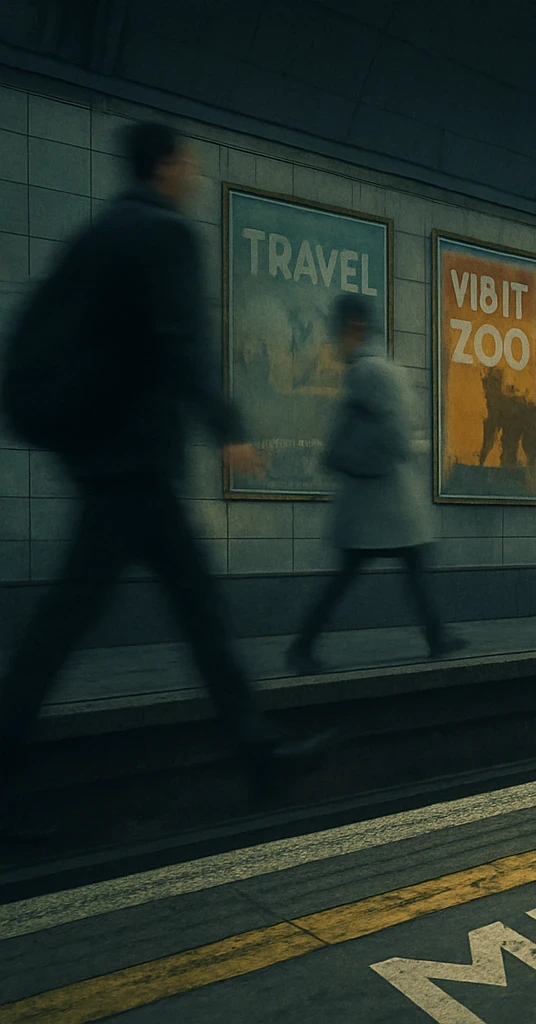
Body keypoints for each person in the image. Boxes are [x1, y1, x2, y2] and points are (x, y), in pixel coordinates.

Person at [0, 123, 327, 839]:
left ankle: (258, 753)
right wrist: (228, 426)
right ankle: (258, 755)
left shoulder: (101, 232)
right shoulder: (162, 234)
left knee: (138, 611)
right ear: (169, 165)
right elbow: (181, 340)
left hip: (106, 459)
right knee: (152, 612)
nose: (196, 177)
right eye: (191, 164)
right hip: (136, 464)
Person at [285, 295, 466, 674]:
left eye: (339, 332)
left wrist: (347, 459)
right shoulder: (380, 368)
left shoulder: (368, 371)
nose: (335, 342)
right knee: (399, 566)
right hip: (385, 495)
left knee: (357, 570)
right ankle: (435, 637)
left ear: (355, 329)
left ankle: (303, 646)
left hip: (377, 492)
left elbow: (389, 433)